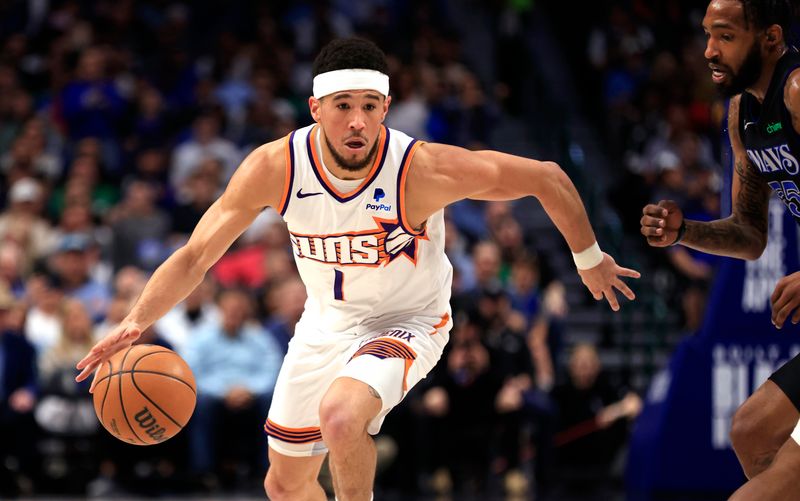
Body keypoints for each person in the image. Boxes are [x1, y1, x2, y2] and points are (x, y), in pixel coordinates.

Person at [77, 38, 639, 501]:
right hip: (326, 325)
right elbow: (197, 255)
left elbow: (547, 177)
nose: (357, 121)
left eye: (370, 106)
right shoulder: (275, 167)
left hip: (410, 320)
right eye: (343, 105)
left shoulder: (421, 170)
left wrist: (588, 257)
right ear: (315, 108)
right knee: (284, 484)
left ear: (386, 110)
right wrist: (136, 320)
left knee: (342, 417)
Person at [640, 1, 800, 499]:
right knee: (751, 433)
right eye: (707, 35)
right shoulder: (742, 112)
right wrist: (685, 231)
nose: (709, 50)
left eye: (726, 36)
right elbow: (751, 237)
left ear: (770, 39)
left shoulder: (797, 92)